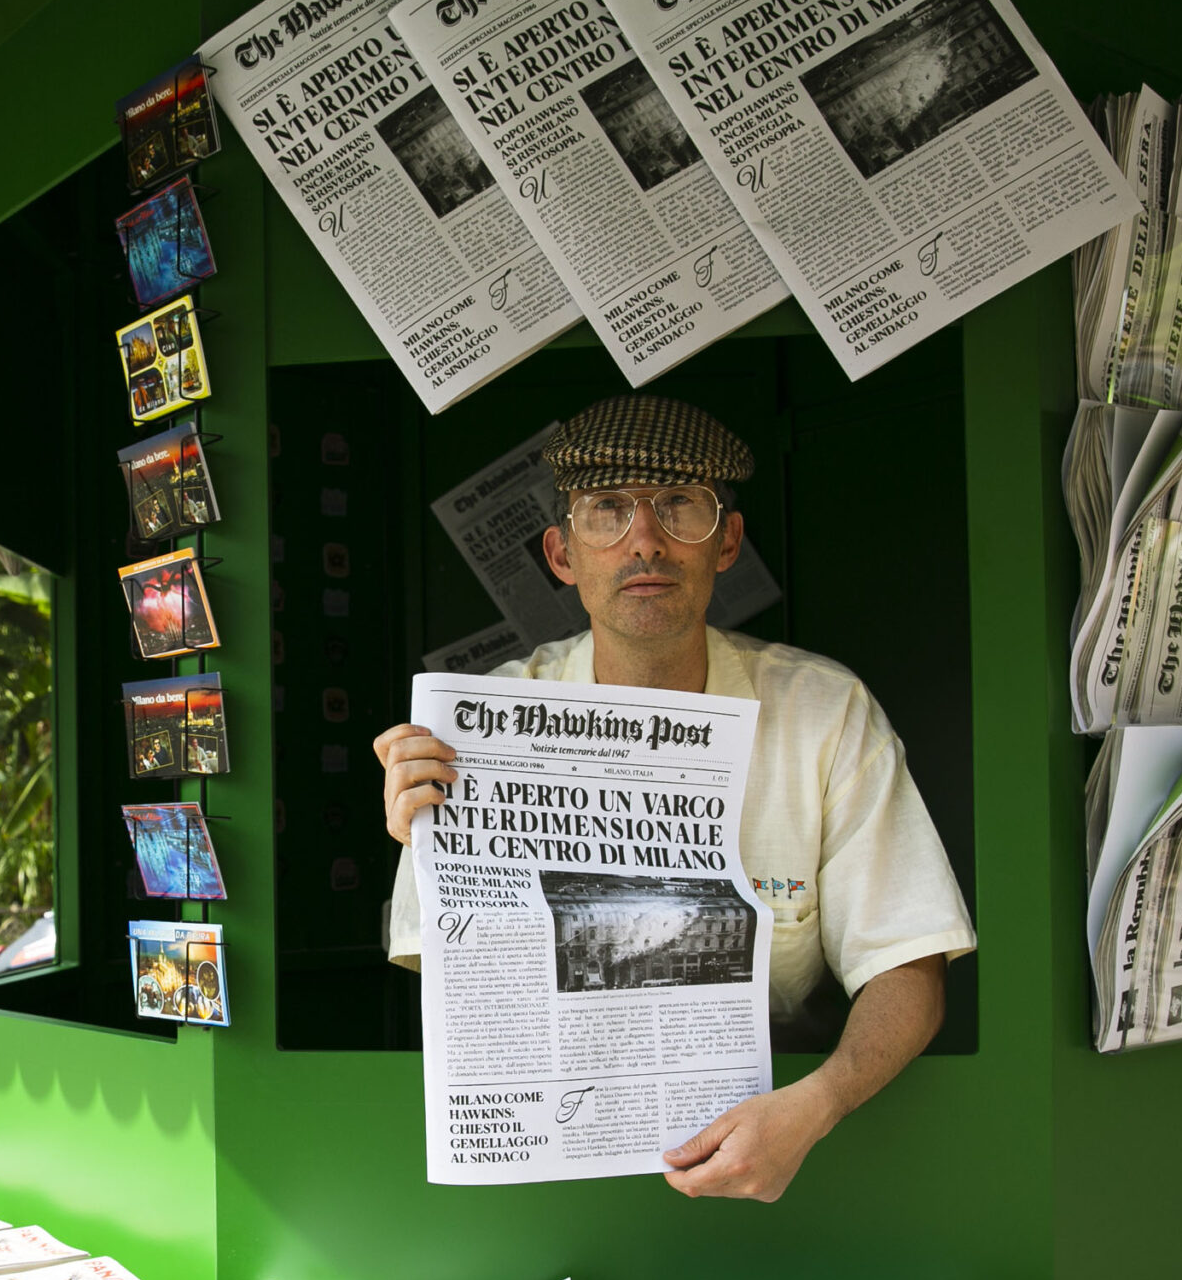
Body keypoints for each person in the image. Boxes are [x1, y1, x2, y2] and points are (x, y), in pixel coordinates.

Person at [375, 395, 975, 1204]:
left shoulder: (824, 713)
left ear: (726, 541)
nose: (645, 540)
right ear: (561, 554)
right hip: (553, 1171)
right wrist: (426, 836)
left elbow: (910, 966)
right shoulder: (480, 731)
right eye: (607, 511)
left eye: (680, 506)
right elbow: (452, 973)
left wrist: (819, 1103)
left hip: (782, 1154)